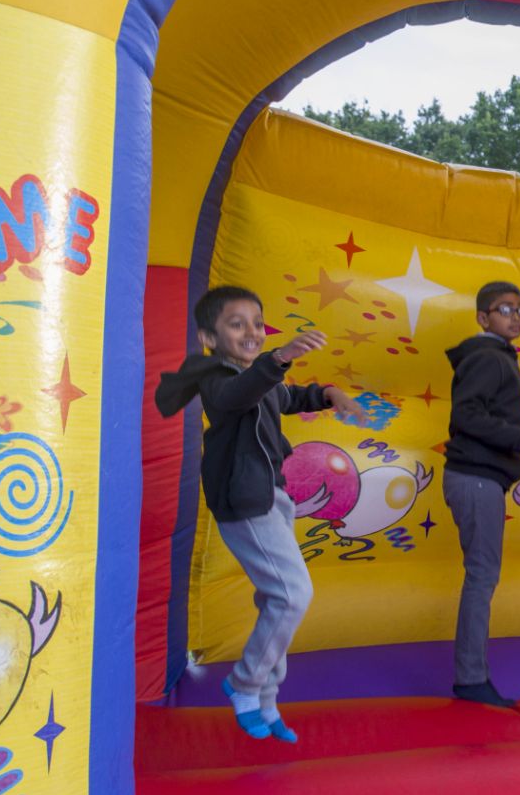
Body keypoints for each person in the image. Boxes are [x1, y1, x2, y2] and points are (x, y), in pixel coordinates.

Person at [156, 284, 367, 742]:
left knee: (276, 600)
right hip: (245, 501)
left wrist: (331, 392)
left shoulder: (261, 376)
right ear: (209, 336)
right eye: (237, 324)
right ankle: (245, 683)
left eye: (257, 322)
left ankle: (267, 702)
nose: (251, 332)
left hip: (273, 497)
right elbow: (237, 397)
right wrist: (281, 356)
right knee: (292, 595)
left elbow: (287, 398)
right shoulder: (214, 374)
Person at [442, 281, 520, 708]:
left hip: (479, 477)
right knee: (482, 575)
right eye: (505, 309)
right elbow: (467, 415)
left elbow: (482, 412)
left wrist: (518, 432)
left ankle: (471, 675)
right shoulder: (489, 356)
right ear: (483, 318)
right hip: (475, 478)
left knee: (481, 574)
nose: (516, 316)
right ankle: (470, 679)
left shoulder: (494, 357)